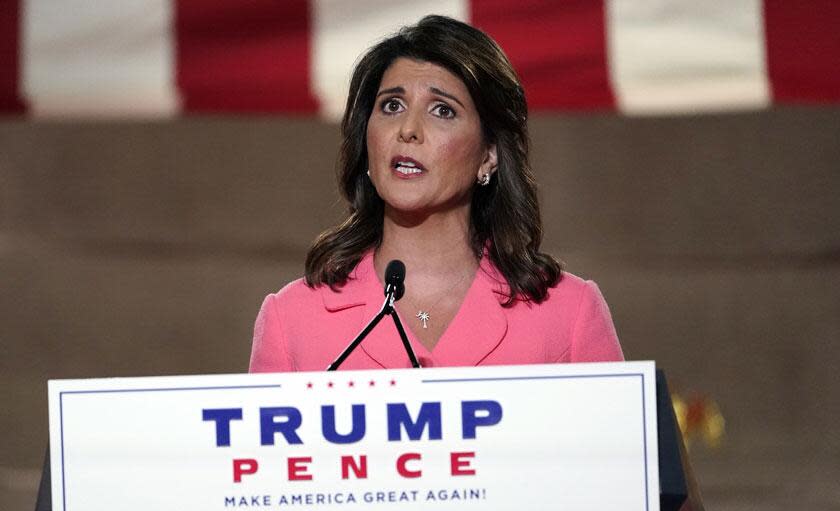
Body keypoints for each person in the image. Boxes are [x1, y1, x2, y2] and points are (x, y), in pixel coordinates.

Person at [249, 15, 622, 374]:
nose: (408, 129)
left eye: (443, 110)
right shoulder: (291, 320)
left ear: (488, 155)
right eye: (392, 106)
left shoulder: (569, 313)